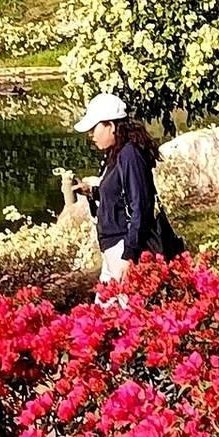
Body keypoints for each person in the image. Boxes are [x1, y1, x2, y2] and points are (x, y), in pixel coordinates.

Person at [73, 92, 161, 291]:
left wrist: (129, 255)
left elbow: (141, 205)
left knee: (127, 312)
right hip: (112, 247)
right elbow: (118, 196)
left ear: (110, 126)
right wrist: (93, 192)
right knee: (102, 316)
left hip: (123, 247)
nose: (90, 135)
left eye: (94, 129)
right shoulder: (116, 153)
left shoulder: (130, 154)